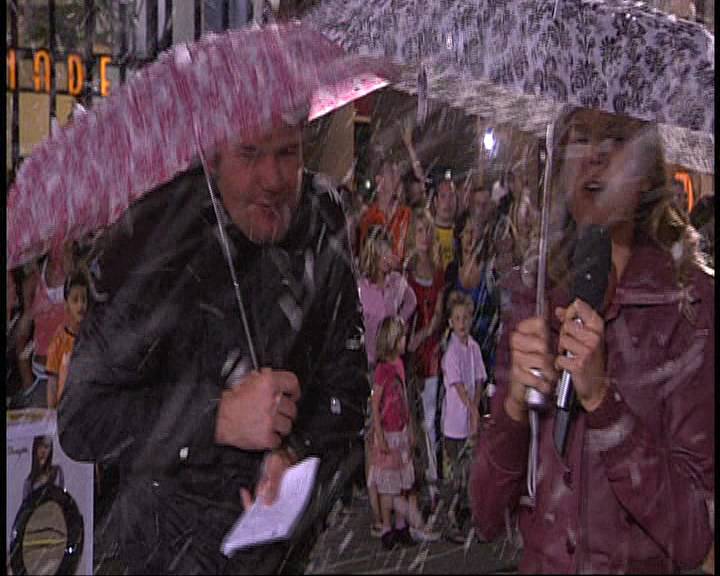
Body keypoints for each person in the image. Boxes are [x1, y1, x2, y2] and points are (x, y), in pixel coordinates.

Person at [57, 119, 370, 574]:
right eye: (249, 153)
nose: (273, 179)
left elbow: (349, 387)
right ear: (212, 154)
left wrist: (297, 454)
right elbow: (83, 419)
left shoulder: (322, 216)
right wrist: (215, 418)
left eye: (288, 152)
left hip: (280, 558)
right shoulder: (152, 235)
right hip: (162, 556)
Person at [469, 107, 714, 573]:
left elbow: (694, 535)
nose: (595, 156)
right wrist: (514, 408)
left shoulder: (689, 305)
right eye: (580, 138)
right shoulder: (533, 296)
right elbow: (485, 514)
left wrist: (603, 402)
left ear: (647, 174)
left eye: (616, 139)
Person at [358, 226, 417, 537]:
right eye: (382, 252)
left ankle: (397, 501)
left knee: (397, 426)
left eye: (388, 251)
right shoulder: (362, 289)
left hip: (393, 362)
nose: (387, 257)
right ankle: (378, 509)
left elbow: (412, 302)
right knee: (374, 433)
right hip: (371, 365)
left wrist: (398, 330)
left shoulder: (396, 285)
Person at [368, 316, 440, 550]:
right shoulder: (382, 371)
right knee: (388, 485)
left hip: (400, 430)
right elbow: (376, 404)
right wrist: (379, 434)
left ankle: (401, 527)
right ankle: (387, 528)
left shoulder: (399, 364)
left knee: (402, 482)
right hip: (387, 432)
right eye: (401, 338)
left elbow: (403, 398)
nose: (405, 341)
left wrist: (409, 427)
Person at [405, 208, 445, 501]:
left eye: (428, 231)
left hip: (431, 351)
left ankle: (432, 479)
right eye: (419, 231)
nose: (424, 236)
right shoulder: (406, 273)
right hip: (409, 351)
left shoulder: (438, 272)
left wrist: (429, 332)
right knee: (411, 420)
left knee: (430, 419)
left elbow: (438, 315)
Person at [440, 291, 486, 535]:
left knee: (471, 472)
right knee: (456, 475)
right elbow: (458, 387)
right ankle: (452, 519)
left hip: (470, 422)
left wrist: (476, 407)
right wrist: (471, 408)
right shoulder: (452, 353)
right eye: (457, 319)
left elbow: (478, 379)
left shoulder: (474, 348)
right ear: (451, 322)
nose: (462, 323)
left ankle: (470, 515)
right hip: (455, 424)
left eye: (465, 318)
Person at [46, 270, 89, 409]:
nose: (81, 305)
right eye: (75, 300)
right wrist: (52, 413)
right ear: (66, 305)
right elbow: (52, 382)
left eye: (84, 299)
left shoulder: (92, 337)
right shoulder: (59, 340)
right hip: (66, 411)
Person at [358, 158, 412, 267]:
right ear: (379, 181)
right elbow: (365, 260)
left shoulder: (407, 215)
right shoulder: (367, 218)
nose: (398, 177)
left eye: (398, 173)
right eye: (392, 172)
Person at [23, 435, 65, 500]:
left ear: (50, 450)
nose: (43, 450)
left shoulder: (57, 471)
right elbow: (25, 504)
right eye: (41, 445)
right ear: (36, 447)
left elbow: (62, 496)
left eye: (47, 446)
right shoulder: (28, 482)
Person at [432, 173, 459, 271]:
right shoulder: (426, 233)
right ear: (435, 202)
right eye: (443, 196)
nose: (448, 202)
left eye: (451, 196)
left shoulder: (463, 233)